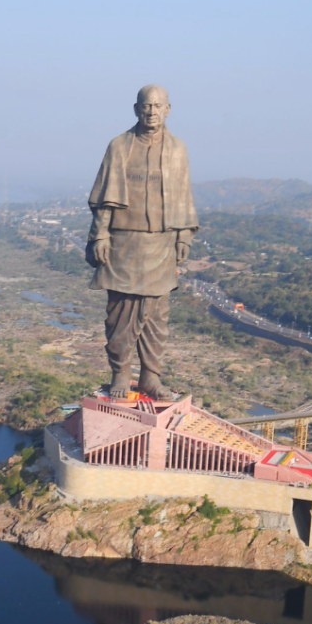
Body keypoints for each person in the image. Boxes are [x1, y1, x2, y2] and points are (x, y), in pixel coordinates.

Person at [85, 84, 198, 400]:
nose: (152, 111)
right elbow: (105, 196)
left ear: (168, 109)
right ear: (136, 109)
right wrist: (101, 234)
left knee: (156, 316)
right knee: (120, 312)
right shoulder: (120, 146)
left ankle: (150, 376)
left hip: (162, 243)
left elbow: (183, 195)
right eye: (146, 106)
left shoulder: (178, 149)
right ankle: (120, 372)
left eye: (158, 106)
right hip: (124, 241)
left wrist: (184, 235)